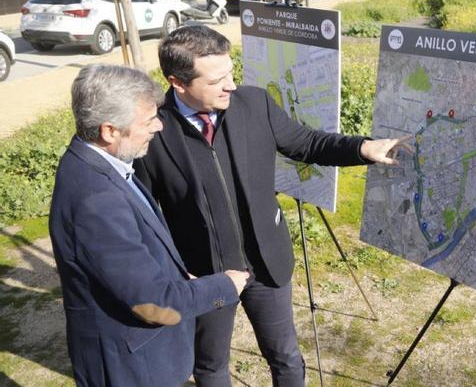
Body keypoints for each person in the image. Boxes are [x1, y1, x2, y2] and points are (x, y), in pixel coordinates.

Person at [134, 25, 410, 387]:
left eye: (231, 72)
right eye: (217, 80)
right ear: (178, 82)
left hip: (267, 265)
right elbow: (143, 213)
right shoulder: (151, 130)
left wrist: (363, 148)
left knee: (286, 358)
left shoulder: (254, 103)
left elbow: (308, 143)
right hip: (203, 275)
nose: (230, 85)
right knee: (211, 366)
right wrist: (171, 271)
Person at [49, 64, 250, 387]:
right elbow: (154, 304)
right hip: (133, 367)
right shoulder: (96, 201)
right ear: (109, 130)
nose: (159, 126)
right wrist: (225, 286)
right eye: (147, 121)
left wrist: (178, 276)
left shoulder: (100, 162)